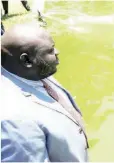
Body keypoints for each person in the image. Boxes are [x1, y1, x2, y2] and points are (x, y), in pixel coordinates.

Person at [1, 24, 89, 162]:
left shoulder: (31, 71)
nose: (57, 52)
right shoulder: (15, 120)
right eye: (51, 50)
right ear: (27, 60)